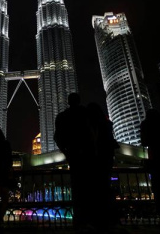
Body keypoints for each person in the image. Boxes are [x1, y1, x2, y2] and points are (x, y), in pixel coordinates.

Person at [54, 92, 94, 232]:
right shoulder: (87, 114)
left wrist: (66, 152)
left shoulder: (63, 117)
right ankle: (90, 220)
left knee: (77, 188)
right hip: (88, 154)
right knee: (90, 187)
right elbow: (93, 132)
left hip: (75, 155)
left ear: (68, 102)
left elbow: (57, 137)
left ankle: (80, 221)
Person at [86, 102, 120, 229]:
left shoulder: (90, 125)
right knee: (105, 189)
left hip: (95, 162)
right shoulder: (106, 124)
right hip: (105, 161)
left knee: (96, 190)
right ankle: (110, 221)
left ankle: (99, 221)